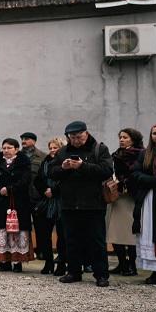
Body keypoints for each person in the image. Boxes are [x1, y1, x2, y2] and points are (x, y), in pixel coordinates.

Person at [49, 121, 113, 287]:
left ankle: (101, 274)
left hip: (93, 203)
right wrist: (63, 168)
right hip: (69, 203)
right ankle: (74, 272)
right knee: (72, 239)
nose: (76, 140)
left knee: (96, 240)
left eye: (79, 137)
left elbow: (106, 170)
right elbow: (52, 172)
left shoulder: (99, 149)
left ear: (86, 133)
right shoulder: (63, 151)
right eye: (72, 137)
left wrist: (82, 166)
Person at [0, 138, 34, 272]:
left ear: (16, 149)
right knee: (1, 231)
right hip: (0, 202)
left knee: (16, 232)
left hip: (18, 202)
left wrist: (10, 189)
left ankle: (17, 262)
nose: (6, 151)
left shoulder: (23, 162)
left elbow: (25, 180)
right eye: (4, 148)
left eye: (9, 148)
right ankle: (4, 261)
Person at [131, 124, 156, 286]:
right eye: (154, 133)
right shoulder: (145, 154)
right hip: (149, 199)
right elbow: (135, 173)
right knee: (149, 233)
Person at [107, 128, 144, 277]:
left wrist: (127, 182)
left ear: (133, 139)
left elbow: (139, 173)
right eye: (120, 137)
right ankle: (121, 263)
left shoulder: (141, 153)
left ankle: (131, 266)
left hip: (132, 197)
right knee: (115, 233)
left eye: (125, 137)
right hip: (118, 197)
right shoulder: (117, 154)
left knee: (129, 234)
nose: (121, 140)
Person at [34, 137, 68, 275]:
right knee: (43, 233)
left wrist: (54, 191)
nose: (53, 150)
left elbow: (67, 181)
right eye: (51, 148)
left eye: (56, 148)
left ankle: (61, 264)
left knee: (62, 235)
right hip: (46, 202)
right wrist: (45, 190)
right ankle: (48, 262)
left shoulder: (66, 162)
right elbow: (38, 180)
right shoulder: (45, 162)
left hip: (61, 202)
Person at [20, 132, 48, 260]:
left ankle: (41, 250)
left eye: (27, 139)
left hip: (37, 197)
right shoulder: (18, 155)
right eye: (22, 139)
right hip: (22, 196)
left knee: (40, 226)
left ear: (34, 141)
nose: (24, 141)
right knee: (23, 226)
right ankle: (25, 250)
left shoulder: (42, 156)